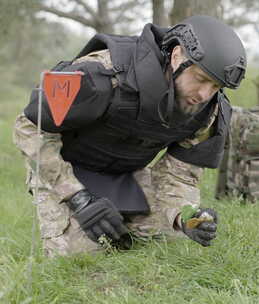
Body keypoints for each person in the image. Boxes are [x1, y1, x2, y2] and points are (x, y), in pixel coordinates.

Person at [12, 15, 247, 257]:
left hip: (127, 174)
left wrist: (186, 216)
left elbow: (180, 176)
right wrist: (77, 198)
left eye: (216, 87)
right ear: (177, 56)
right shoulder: (104, 73)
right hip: (65, 171)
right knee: (82, 254)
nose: (204, 94)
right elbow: (30, 128)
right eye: (200, 79)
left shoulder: (207, 111)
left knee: (174, 239)